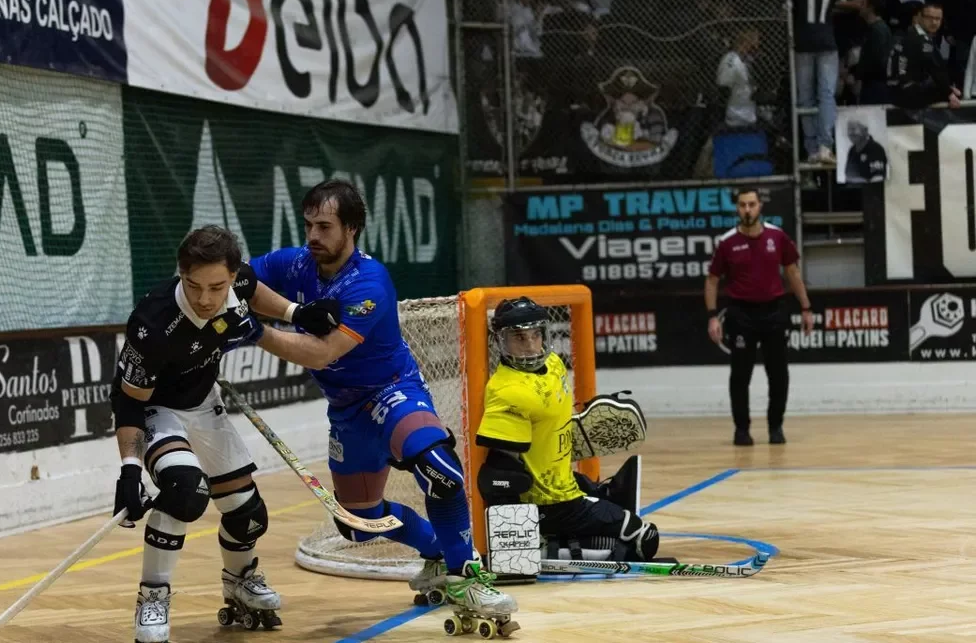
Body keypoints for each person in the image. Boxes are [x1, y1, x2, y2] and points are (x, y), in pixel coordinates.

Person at [247, 180, 518, 622]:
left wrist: (255, 331)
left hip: (391, 390)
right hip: (346, 411)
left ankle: (467, 576)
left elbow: (321, 352)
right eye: (309, 225)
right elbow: (241, 278)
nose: (313, 236)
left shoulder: (368, 281)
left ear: (351, 229)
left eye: (325, 226)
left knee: (441, 470)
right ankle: (435, 550)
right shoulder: (296, 263)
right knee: (358, 523)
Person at [110, 225, 343, 643]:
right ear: (180, 274)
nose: (204, 298)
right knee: (185, 492)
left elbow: (254, 289)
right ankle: (153, 596)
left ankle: (239, 581)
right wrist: (130, 469)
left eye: (217, 287)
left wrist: (294, 314)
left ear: (231, 278)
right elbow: (128, 402)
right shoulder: (153, 323)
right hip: (156, 409)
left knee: (248, 515)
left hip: (204, 403)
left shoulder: (238, 282)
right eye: (193, 285)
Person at [475, 296, 659, 563]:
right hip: (550, 504)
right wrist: (518, 538)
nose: (529, 345)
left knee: (617, 502)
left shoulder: (554, 365)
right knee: (644, 538)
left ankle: (559, 538)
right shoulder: (507, 391)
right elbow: (501, 471)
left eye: (535, 335)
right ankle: (548, 549)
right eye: (518, 338)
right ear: (501, 342)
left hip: (565, 483)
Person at [705, 190, 812, 447]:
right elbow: (712, 280)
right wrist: (712, 316)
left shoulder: (777, 236)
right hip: (741, 314)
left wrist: (806, 307)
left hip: (773, 312)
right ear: (737, 209)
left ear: (760, 206)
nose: (747, 210)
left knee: (778, 374)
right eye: (742, 205)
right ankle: (742, 430)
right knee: (740, 375)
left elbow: (792, 273)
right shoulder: (727, 242)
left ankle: (776, 427)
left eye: (751, 204)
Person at [791, 0, 841, 165]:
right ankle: (825, 147)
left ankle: (811, 149)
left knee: (805, 96)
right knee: (827, 95)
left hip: (802, 42)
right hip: (827, 41)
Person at [887, 2, 962, 109]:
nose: (934, 22)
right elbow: (935, 69)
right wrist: (949, 93)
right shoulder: (921, 40)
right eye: (929, 18)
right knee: (956, 95)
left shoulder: (909, 34)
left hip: (896, 90)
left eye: (938, 19)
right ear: (919, 17)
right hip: (905, 94)